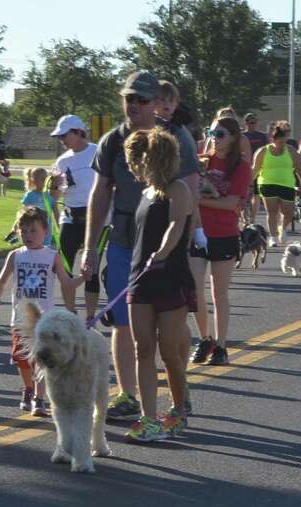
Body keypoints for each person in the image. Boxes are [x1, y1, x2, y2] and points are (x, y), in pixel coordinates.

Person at [84, 70, 159, 424]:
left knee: (164, 325)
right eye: (129, 98)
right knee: (122, 322)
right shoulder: (111, 141)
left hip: (161, 242)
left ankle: (175, 394)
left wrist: (190, 241)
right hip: (122, 239)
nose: (134, 105)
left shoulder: (172, 139)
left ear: (156, 104)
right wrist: (90, 248)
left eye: (142, 99)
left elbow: (188, 191)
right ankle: (128, 394)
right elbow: (99, 195)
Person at [122, 128, 194, 442]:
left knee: (169, 351)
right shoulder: (145, 193)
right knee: (143, 348)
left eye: (135, 161)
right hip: (140, 278)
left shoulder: (178, 189)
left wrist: (161, 254)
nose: (131, 167)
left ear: (151, 159)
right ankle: (149, 419)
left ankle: (179, 407)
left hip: (170, 276)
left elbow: (177, 226)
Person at [0, 206, 86, 416]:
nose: (28, 235)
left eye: (33, 231)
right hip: (21, 320)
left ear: (46, 231)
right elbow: (2, 280)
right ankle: (28, 388)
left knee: (43, 359)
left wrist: (83, 277)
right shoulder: (15, 255)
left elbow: (66, 283)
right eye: (23, 231)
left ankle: (39, 398)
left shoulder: (52, 256)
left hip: (45, 321)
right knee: (22, 359)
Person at [190, 116, 248, 367]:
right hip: (198, 231)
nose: (215, 138)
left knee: (219, 293)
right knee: (194, 290)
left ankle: (221, 346)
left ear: (233, 137)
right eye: (212, 133)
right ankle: (205, 339)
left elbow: (231, 203)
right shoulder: (201, 162)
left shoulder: (240, 167)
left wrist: (198, 201)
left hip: (224, 234)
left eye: (221, 134)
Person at [48, 114, 100, 316]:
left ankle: (90, 317)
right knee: (64, 269)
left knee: (90, 270)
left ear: (79, 132)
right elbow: (53, 195)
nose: (61, 140)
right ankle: (71, 314)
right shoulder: (61, 161)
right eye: (58, 136)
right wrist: (55, 184)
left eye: (64, 135)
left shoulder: (97, 152)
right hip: (70, 217)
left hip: (95, 218)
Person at [253, 124, 301, 247]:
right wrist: (246, 186)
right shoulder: (263, 151)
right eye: (279, 142)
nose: (281, 145)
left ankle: (283, 228)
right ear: (272, 140)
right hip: (267, 183)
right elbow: (255, 170)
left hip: (287, 184)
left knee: (289, 212)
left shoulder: (291, 151)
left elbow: (299, 169)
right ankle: (273, 237)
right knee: (272, 212)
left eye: (283, 141)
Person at [21, 166, 59, 245]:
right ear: (34, 180)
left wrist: (59, 227)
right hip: (32, 229)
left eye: (46, 178)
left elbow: (56, 213)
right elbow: (23, 213)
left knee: (45, 249)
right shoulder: (30, 195)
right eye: (42, 179)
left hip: (46, 230)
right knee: (33, 247)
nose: (45, 181)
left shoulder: (50, 196)